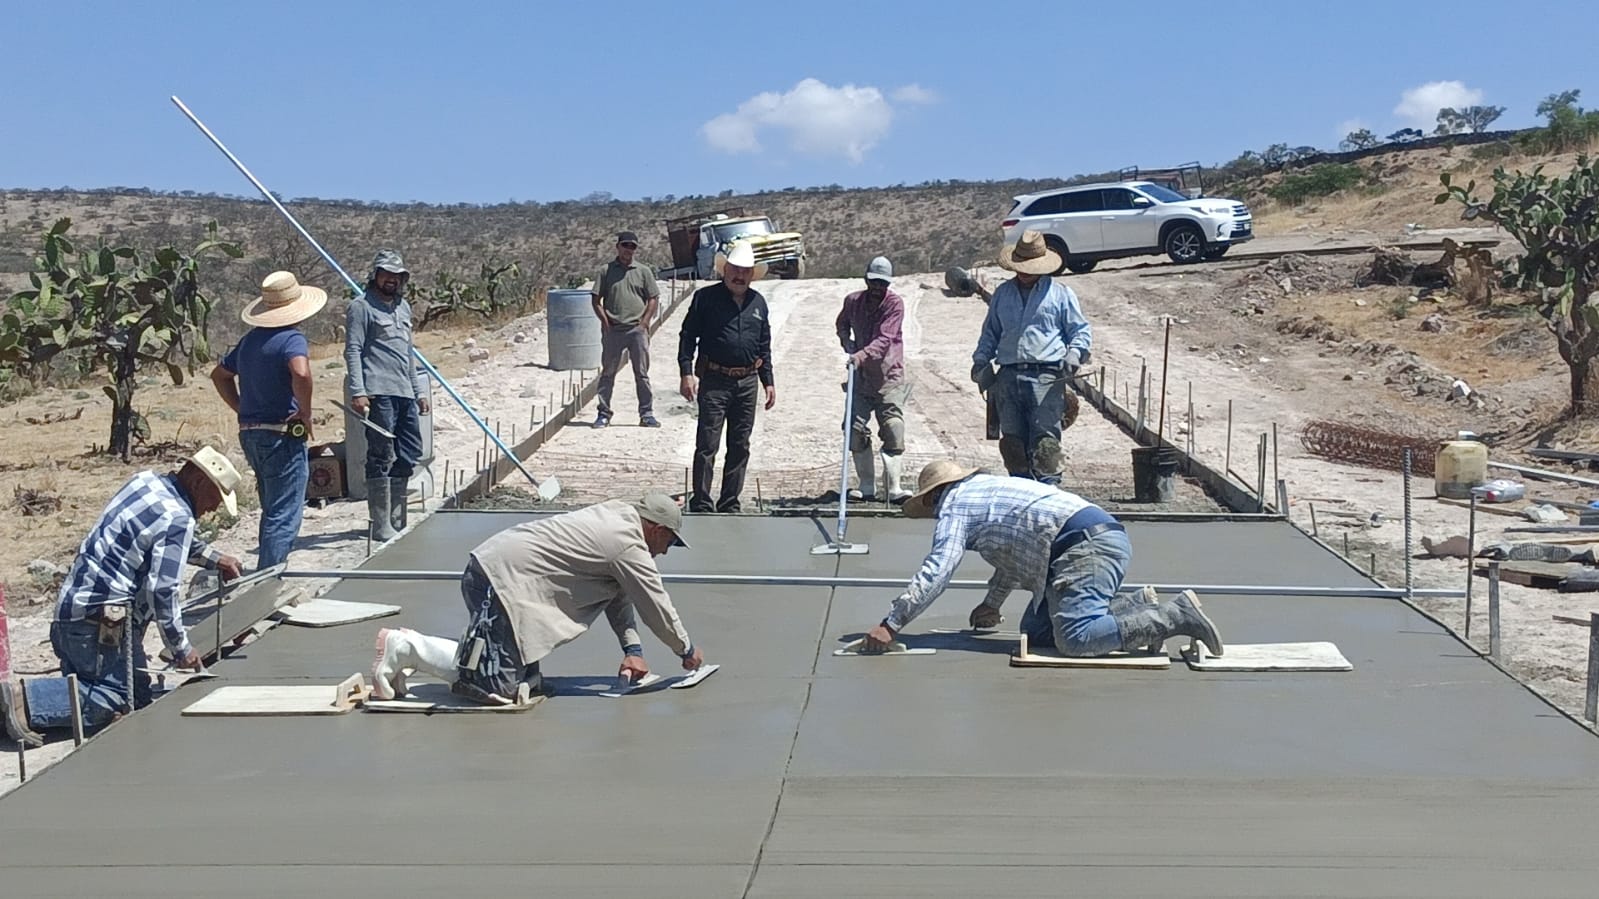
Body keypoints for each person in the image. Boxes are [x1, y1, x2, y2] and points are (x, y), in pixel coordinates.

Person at [1, 447, 244, 746]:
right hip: (99, 626)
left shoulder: (145, 483)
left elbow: (165, 537)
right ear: (197, 482)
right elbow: (162, 590)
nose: (212, 509)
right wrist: (181, 649)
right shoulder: (179, 518)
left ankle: (42, 702)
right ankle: (25, 700)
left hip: (70, 615)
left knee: (115, 692)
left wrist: (214, 558)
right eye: (215, 499)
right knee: (125, 698)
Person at [860, 460, 1223, 659]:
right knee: (1035, 633)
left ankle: (1174, 616)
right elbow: (1011, 555)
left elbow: (938, 569)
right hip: (1090, 541)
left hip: (1083, 549)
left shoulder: (955, 505)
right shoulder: (984, 494)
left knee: (1075, 640)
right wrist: (991, 603)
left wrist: (892, 623)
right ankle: (1135, 608)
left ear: (931, 498)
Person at [369, 493, 707, 705]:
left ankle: (455, 658)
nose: (665, 552)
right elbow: (656, 606)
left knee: (528, 682)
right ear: (658, 529)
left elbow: (619, 594)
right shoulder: (629, 545)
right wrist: (686, 651)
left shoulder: (619, 519)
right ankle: (406, 648)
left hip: (495, 574)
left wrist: (632, 651)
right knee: (499, 690)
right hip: (497, 583)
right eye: (669, 543)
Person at [210, 270, 325, 570]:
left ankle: (264, 575)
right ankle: (267, 583)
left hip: (250, 433)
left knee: (271, 508)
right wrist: (306, 412)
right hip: (281, 435)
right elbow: (301, 372)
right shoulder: (292, 338)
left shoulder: (249, 341)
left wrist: (240, 406)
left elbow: (219, 375)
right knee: (284, 512)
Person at [971, 229, 1093, 484]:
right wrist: (981, 361)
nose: (1025, 271)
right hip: (1007, 376)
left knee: (1045, 440)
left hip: (1047, 376)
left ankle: (1049, 490)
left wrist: (1075, 354)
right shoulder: (1003, 294)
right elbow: (990, 333)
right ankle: (1021, 486)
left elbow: (1079, 330)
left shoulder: (1060, 294)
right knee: (1012, 440)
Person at [676, 241, 776, 513]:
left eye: (745, 271)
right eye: (735, 269)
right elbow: (687, 336)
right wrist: (686, 372)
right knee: (707, 443)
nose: (739, 275)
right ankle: (702, 502)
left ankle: (730, 502)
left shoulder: (759, 303)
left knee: (740, 444)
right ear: (725, 269)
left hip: (747, 382)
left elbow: (764, 344)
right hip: (714, 380)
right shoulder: (705, 299)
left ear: (752, 274)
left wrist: (768, 380)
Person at [345, 249, 430, 542]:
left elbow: (408, 353)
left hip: (405, 391)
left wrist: (418, 391)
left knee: (410, 451)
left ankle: (397, 516)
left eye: (397, 276)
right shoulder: (361, 307)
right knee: (380, 453)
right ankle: (381, 523)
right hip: (378, 391)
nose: (391, 280)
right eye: (387, 274)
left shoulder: (403, 308)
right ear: (376, 275)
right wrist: (359, 391)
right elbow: (353, 349)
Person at [836, 255, 912, 504]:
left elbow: (884, 340)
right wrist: (846, 342)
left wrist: (860, 354)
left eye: (883, 283)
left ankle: (893, 488)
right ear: (866, 279)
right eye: (874, 282)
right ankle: (866, 486)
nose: (878, 288)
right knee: (854, 429)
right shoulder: (853, 301)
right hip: (860, 378)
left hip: (888, 375)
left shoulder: (895, 305)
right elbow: (842, 323)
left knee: (892, 428)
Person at [591, 230, 661, 428]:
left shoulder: (643, 271)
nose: (628, 250)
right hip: (613, 331)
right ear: (618, 247)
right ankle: (603, 413)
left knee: (642, 374)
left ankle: (646, 414)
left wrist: (644, 323)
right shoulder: (606, 271)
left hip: (636, 331)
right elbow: (596, 300)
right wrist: (605, 323)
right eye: (625, 245)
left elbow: (653, 298)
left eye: (632, 246)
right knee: (608, 374)